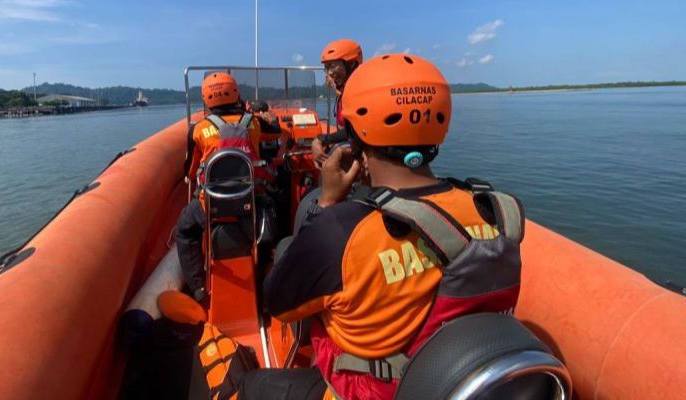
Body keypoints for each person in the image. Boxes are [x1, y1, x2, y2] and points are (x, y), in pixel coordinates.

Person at [254, 54, 524, 400]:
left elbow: (276, 303)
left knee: (251, 385)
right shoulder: (498, 212)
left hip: (373, 391)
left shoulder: (339, 230)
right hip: (454, 383)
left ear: (353, 137)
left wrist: (326, 205)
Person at [177, 72, 263, 301]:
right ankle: (264, 267)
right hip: (248, 201)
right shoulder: (253, 123)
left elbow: (190, 170)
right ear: (235, 92)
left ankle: (197, 288)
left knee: (184, 230)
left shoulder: (197, 130)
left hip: (211, 204)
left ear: (206, 98)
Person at [312, 39, 363, 168]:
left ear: (351, 64)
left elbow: (354, 130)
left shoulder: (361, 93)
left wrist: (322, 139)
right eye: (326, 68)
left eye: (333, 66)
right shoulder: (347, 91)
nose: (329, 72)